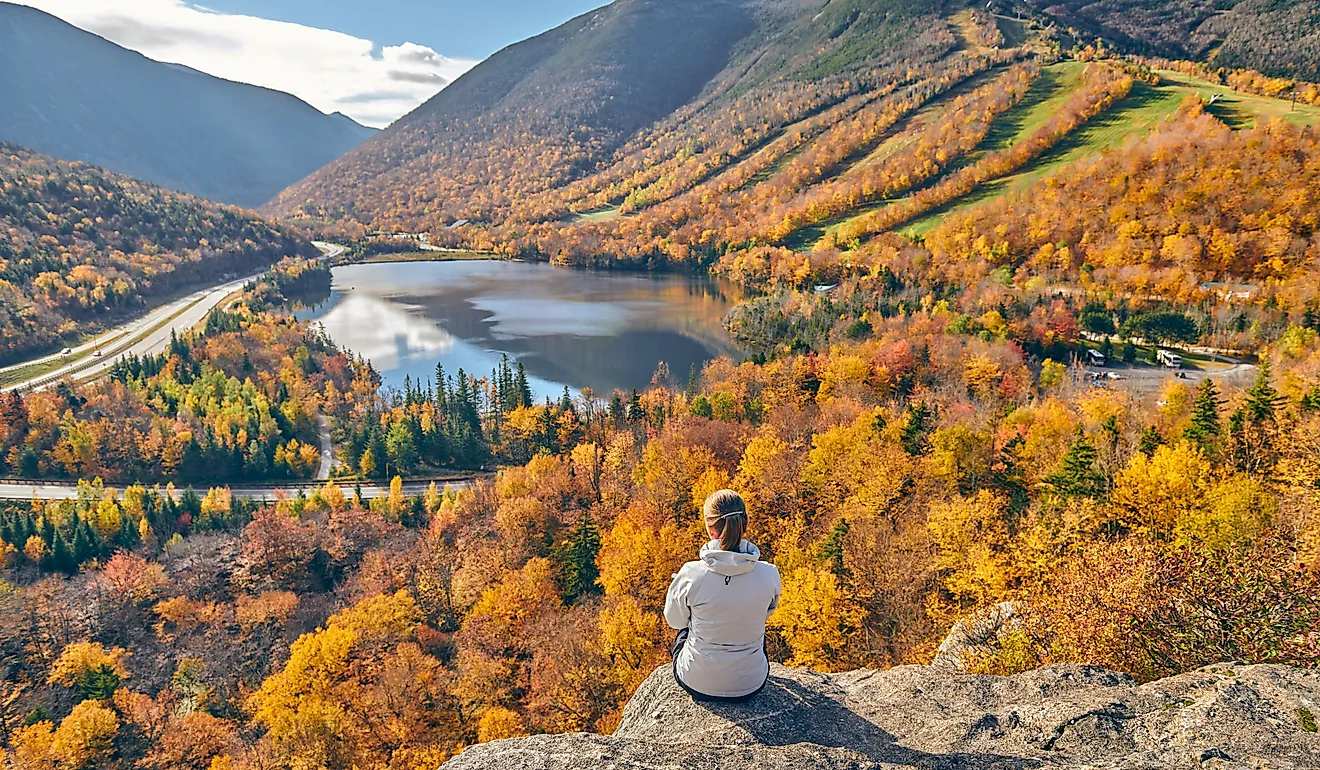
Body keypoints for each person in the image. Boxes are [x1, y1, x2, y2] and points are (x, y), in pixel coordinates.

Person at [664, 489, 782, 702]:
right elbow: (765, 614)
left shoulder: (691, 574)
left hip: (696, 681)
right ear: (745, 522)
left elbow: (674, 621)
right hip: (751, 684)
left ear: (710, 529)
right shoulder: (769, 574)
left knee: (685, 629)